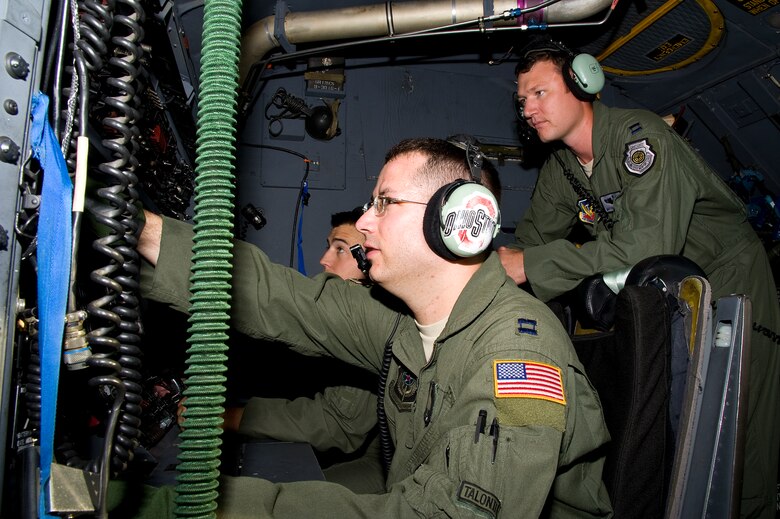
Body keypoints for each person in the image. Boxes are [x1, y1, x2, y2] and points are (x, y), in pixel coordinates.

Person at [136, 137, 612, 517]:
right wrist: (142, 232)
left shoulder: (517, 353)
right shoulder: (403, 322)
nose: (364, 222)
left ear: (453, 222)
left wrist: (223, 508)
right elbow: (280, 296)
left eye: (384, 203)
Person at [498, 37, 780, 518]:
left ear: (583, 82)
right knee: (679, 424)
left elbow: (647, 248)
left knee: (737, 423)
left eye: (539, 93)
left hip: (732, 282)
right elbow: (527, 244)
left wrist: (532, 266)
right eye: (522, 100)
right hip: (669, 293)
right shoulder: (564, 168)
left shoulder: (638, 138)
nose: (528, 108)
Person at [222, 207, 384, 494]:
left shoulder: (373, 323)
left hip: (381, 468)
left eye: (341, 249)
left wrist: (232, 417)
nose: (324, 259)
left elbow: (336, 423)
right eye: (328, 246)